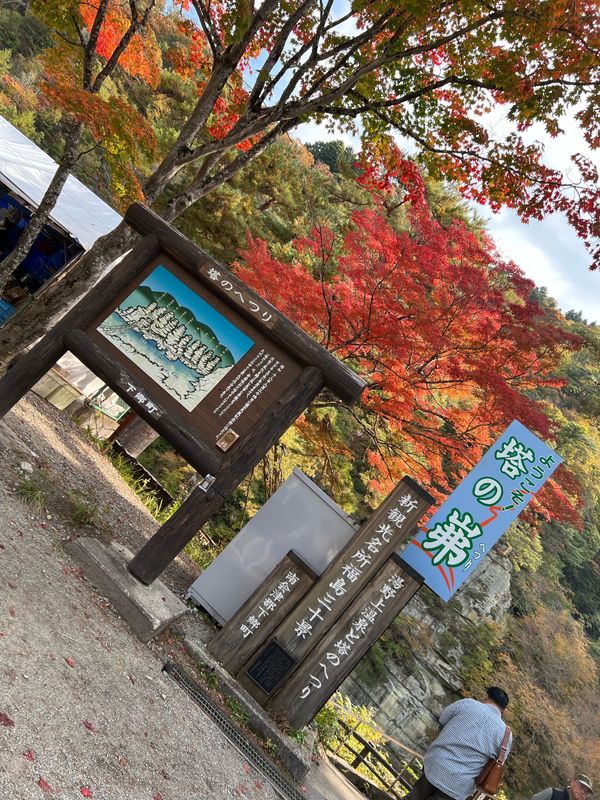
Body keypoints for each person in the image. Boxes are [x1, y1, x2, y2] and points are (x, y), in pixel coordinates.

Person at [405, 687, 512, 800]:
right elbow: (499, 762)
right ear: (503, 709)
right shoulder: (505, 734)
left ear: (486, 696)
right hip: (460, 783)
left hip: (436, 765)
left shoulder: (467, 704)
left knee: (414, 797)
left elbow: (443, 718)